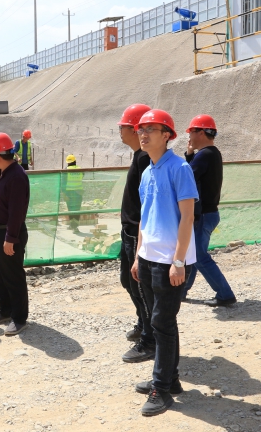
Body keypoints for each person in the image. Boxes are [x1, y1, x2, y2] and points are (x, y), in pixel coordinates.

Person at [130, 109, 198, 417]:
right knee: (160, 322)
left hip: (171, 261)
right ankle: (170, 379)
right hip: (148, 258)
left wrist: (179, 261)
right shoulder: (147, 171)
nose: (143, 134)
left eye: (150, 129)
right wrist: (138, 255)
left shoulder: (180, 168)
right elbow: (144, 219)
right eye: (140, 129)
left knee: (162, 322)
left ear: (167, 135)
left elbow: (188, 217)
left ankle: (161, 388)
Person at [182, 114, 237, 307]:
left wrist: (189, 155)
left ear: (201, 133)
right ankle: (181, 291)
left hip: (203, 215)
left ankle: (225, 294)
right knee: (194, 254)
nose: (189, 137)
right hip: (208, 213)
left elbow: (186, 177)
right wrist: (191, 155)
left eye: (191, 132)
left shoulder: (204, 155)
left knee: (198, 256)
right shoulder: (212, 153)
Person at [116, 104, 155, 364]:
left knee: (140, 287)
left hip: (136, 233)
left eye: (122, 126)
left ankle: (150, 340)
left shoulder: (144, 159)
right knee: (129, 282)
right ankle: (143, 322)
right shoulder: (139, 156)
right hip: (129, 231)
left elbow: (147, 202)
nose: (120, 131)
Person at [0, 132, 31, 336]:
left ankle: (19, 318)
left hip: (9, 234)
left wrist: (10, 238)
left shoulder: (16, 176)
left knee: (13, 275)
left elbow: (16, 212)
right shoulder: (6, 171)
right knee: (2, 275)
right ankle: (5, 310)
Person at [62, 154, 83, 232]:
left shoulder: (66, 170)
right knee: (77, 210)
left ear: (68, 162)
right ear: (75, 161)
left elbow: (63, 184)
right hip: (79, 192)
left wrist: (64, 194)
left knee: (71, 209)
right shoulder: (80, 169)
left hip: (69, 193)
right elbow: (82, 176)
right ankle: (74, 226)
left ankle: (74, 227)